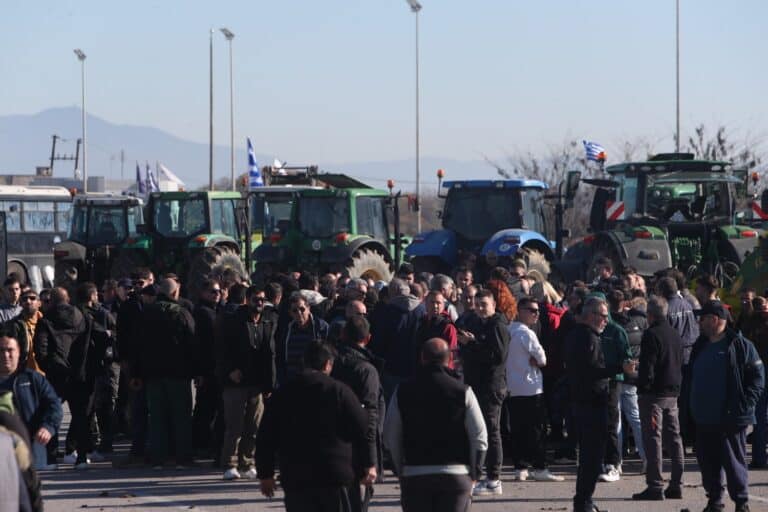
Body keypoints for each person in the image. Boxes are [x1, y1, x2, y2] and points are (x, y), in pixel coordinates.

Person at [256, 342, 374, 512]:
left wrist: (265, 474)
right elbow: (362, 428)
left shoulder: (284, 393)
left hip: (297, 478)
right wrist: (368, 464)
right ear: (327, 364)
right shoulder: (339, 391)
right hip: (335, 476)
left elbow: (266, 436)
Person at [384, 338, 487, 512]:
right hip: (456, 475)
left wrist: (400, 469)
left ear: (422, 358)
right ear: (449, 360)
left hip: (415, 474)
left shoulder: (403, 391)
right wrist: (475, 473)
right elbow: (480, 436)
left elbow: (390, 434)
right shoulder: (463, 392)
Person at [683, 300, 764, 512]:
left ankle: (741, 502)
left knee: (734, 463)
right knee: (708, 464)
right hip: (703, 419)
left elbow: (757, 379)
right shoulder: (700, 345)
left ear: (716, 320)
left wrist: (745, 404)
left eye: (703, 318)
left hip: (730, 418)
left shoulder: (740, 345)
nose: (699, 322)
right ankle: (715, 501)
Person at [565, 296, 632, 512]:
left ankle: (584, 499)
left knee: (590, 456)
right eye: (603, 316)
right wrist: (619, 368)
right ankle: (583, 501)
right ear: (592, 315)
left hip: (584, 401)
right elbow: (592, 371)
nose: (606, 320)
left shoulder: (578, 334)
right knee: (591, 458)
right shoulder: (588, 338)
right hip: (591, 402)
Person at [133, 278, 198, 468]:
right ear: (175, 293)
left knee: (157, 418)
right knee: (181, 417)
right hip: (178, 375)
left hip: (153, 375)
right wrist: (197, 371)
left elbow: (137, 346)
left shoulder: (146, 313)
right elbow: (193, 344)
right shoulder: (182, 313)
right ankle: (182, 457)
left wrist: (137, 373)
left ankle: (157, 458)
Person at [627, 296, 684, 501]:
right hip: (672, 392)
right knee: (675, 439)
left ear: (650, 315)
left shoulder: (651, 334)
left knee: (653, 439)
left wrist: (638, 381)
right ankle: (676, 483)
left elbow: (648, 368)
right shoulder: (674, 333)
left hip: (654, 395)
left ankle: (655, 485)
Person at [216, 285, 276, 480]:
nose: (259, 303)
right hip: (236, 382)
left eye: (262, 300)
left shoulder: (268, 320)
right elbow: (221, 349)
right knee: (234, 426)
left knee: (254, 426)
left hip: (257, 383)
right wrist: (229, 371)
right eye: (256, 299)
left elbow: (270, 353)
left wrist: (269, 383)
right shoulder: (233, 321)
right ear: (247, 299)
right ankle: (229, 463)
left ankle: (246, 462)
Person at [458, 289, 510, 496]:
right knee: (475, 430)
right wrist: (466, 345)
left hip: (491, 386)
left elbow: (497, 356)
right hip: (473, 384)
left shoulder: (497, 325)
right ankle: (478, 475)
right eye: (477, 304)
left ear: (493, 305)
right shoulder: (473, 322)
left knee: (491, 431)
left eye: (484, 304)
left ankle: (494, 479)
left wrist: (473, 343)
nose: (479, 308)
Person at [505, 297, 563, 482]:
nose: (536, 313)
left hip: (513, 387)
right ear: (520, 310)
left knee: (518, 429)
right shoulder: (526, 333)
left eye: (537, 310)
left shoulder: (508, 331)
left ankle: (520, 467)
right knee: (536, 429)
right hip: (531, 387)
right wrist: (536, 361)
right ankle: (539, 467)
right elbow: (542, 359)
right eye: (531, 310)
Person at [34, 287, 93, 468]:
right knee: (80, 416)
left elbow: (40, 349)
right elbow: (89, 344)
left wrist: (49, 367)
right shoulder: (82, 317)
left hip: (55, 375)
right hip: (78, 374)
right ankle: (81, 456)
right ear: (68, 298)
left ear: (51, 300)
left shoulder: (46, 320)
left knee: (51, 414)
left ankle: (51, 459)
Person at [332, 315, 384, 511]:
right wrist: (371, 461)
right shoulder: (366, 370)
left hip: (332, 447)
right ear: (368, 338)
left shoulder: (330, 364)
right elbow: (370, 416)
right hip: (357, 449)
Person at [0, 332, 62, 471]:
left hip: (32, 445)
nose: (5, 355)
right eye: (1, 350)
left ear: (19, 352)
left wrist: (48, 427)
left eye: (10, 350)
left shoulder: (33, 378)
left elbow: (54, 405)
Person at [280, 293, 329, 382]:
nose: (299, 313)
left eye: (302, 309)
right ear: (290, 313)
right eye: (295, 310)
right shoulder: (287, 330)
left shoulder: (321, 327)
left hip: (315, 380)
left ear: (308, 309)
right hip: (293, 380)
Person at [413, 291, 458, 369]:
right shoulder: (421, 322)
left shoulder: (448, 326)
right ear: (425, 304)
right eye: (432, 302)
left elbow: (451, 353)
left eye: (438, 303)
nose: (435, 306)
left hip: (439, 371)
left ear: (443, 305)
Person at [4, 289, 45, 374]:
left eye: (32, 298)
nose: (28, 301)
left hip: (46, 375)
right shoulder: (13, 325)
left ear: (39, 303)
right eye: (24, 299)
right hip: (24, 374)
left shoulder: (47, 323)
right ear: (21, 304)